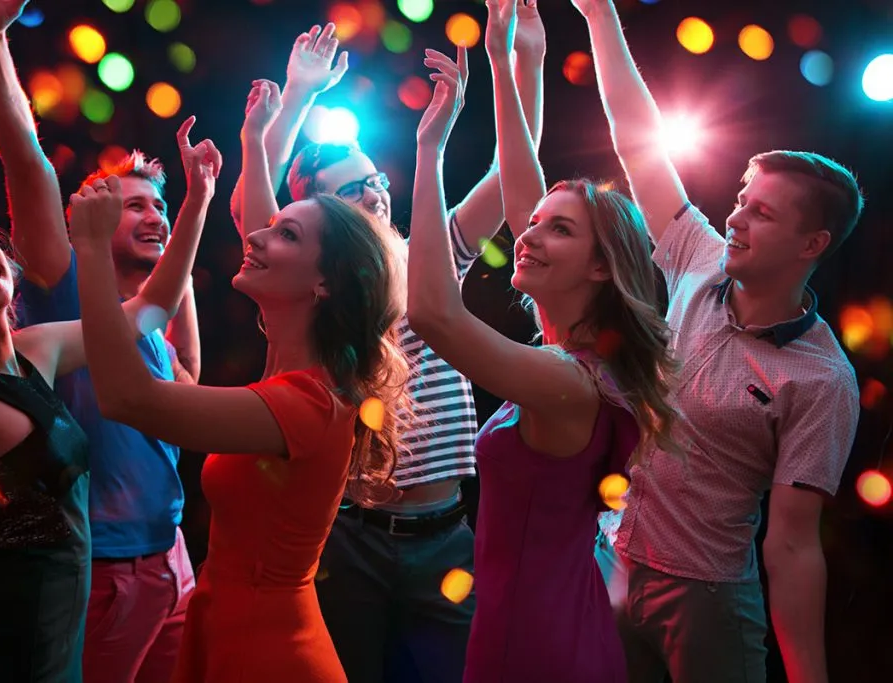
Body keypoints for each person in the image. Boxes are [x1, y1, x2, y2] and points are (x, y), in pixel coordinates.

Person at [232, 11, 546, 681]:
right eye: (354, 189)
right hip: (347, 537)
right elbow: (252, 212)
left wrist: (523, 61)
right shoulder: (312, 285)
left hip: (447, 536)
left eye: (377, 181)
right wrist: (297, 97)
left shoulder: (428, 258)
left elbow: (515, 164)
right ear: (315, 213)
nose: (375, 193)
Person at [70, 79, 411, 683]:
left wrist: (92, 251)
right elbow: (170, 370)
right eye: (272, 225)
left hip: (268, 651)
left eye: (286, 234)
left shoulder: (306, 401)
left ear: (323, 284)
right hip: (228, 621)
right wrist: (244, 148)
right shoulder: (290, 375)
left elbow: (126, 396)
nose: (257, 235)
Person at [571, 2, 865, 682]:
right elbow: (638, 140)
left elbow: (792, 546)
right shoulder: (699, 259)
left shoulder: (823, 380)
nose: (735, 217)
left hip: (703, 599)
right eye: (741, 197)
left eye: (761, 212)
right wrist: (600, 16)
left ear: (811, 244)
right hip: (609, 558)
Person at [0, 132, 205, 680]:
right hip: (8, 637)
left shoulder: (37, 350)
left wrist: (198, 200)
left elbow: (148, 312)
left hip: (59, 627)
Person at [407, 3, 678, 679]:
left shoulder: (568, 378)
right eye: (535, 224)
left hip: (535, 639)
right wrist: (511, 62)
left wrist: (430, 151)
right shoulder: (581, 360)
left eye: (560, 230)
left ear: (599, 267)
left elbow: (433, 315)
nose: (527, 235)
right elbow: (524, 190)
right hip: (551, 616)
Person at [0, 2, 203, 679]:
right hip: (105, 567)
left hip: (171, 559)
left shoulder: (146, 318)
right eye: (136, 203)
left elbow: (189, 383)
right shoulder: (66, 286)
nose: (156, 215)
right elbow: (23, 154)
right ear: (85, 217)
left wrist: (188, 215)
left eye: (161, 206)